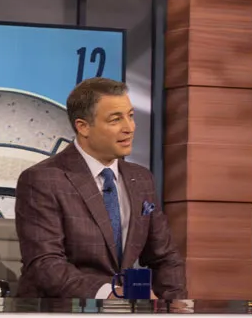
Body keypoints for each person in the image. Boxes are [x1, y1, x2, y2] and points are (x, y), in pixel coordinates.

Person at [15, 78, 187, 301]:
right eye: (116, 119)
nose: (129, 127)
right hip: (59, 314)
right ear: (83, 127)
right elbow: (45, 264)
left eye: (131, 116)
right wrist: (111, 294)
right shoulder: (43, 179)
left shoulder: (141, 179)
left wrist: (175, 308)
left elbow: (165, 257)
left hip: (124, 316)